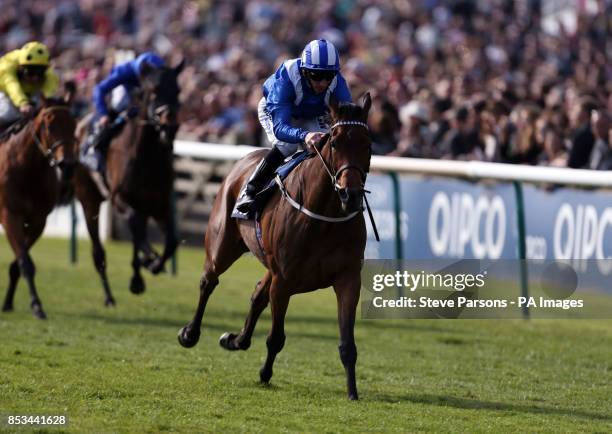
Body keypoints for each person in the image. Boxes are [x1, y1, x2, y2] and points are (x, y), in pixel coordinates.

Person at [235, 39, 352, 212]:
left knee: (328, 146)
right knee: (287, 146)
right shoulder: (287, 77)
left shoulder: (338, 83)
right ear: (305, 72)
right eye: (316, 76)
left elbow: (347, 120)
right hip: (278, 113)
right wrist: (304, 136)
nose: (322, 83)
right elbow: (281, 127)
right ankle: (251, 189)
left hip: (311, 114)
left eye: (328, 77)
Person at [81, 52, 165, 172]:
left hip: (141, 109)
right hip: (121, 105)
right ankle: (92, 150)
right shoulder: (124, 71)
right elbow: (99, 90)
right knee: (118, 105)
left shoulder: (159, 76)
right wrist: (103, 114)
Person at [0, 41, 58, 130]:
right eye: (30, 73)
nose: (35, 78)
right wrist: (23, 103)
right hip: (5, 92)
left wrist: (47, 103)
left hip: (30, 94)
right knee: (6, 114)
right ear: (20, 68)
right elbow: (12, 86)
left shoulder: (50, 74)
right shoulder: (7, 65)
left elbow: (48, 94)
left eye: (40, 73)